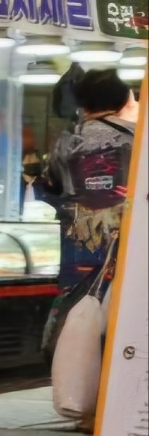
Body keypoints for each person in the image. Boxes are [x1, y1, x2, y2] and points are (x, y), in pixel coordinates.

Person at [35, 68, 138, 292]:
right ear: (123, 101)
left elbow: (47, 191)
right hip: (128, 253)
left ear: (83, 104)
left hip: (78, 252)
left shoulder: (67, 142)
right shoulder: (138, 140)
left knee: (78, 309)